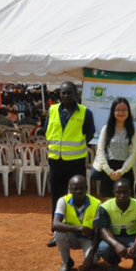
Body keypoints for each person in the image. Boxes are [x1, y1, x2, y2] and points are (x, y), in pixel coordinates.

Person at [44, 81, 95, 248]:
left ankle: (77, 231)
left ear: (76, 94)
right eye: (63, 93)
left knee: (77, 197)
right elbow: (47, 130)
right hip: (56, 161)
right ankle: (57, 232)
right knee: (57, 197)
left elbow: (90, 133)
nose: (66, 96)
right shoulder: (52, 110)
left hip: (76, 161)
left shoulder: (85, 113)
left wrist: (76, 145)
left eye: (69, 93)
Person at [97, 178, 136, 271]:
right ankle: (114, 263)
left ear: (130, 192)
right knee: (104, 248)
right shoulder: (105, 207)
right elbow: (103, 230)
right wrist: (116, 244)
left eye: (126, 192)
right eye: (119, 192)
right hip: (114, 237)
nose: (122, 195)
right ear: (114, 192)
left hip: (132, 238)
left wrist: (134, 247)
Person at [52, 175, 100, 271]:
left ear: (87, 188)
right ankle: (66, 262)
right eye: (75, 188)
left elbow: (97, 232)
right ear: (69, 189)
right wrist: (80, 228)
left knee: (94, 259)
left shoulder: (96, 204)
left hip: (88, 239)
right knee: (59, 233)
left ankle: (90, 259)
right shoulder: (63, 201)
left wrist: (90, 256)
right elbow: (55, 225)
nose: (79, 191)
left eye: (82, 188)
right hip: (72, 236)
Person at [92, 98, 136, 199]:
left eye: (124, 109)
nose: (121, 112)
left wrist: (121, 171)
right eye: (118, 110)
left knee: (126, 203)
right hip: (109, 171)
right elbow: (100, 150)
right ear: (113, 112)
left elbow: (133, 153)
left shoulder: (133, 130)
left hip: (126, 170)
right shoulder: (106, 129)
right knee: (109, 203)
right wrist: (109, 171)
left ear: (128, 112)